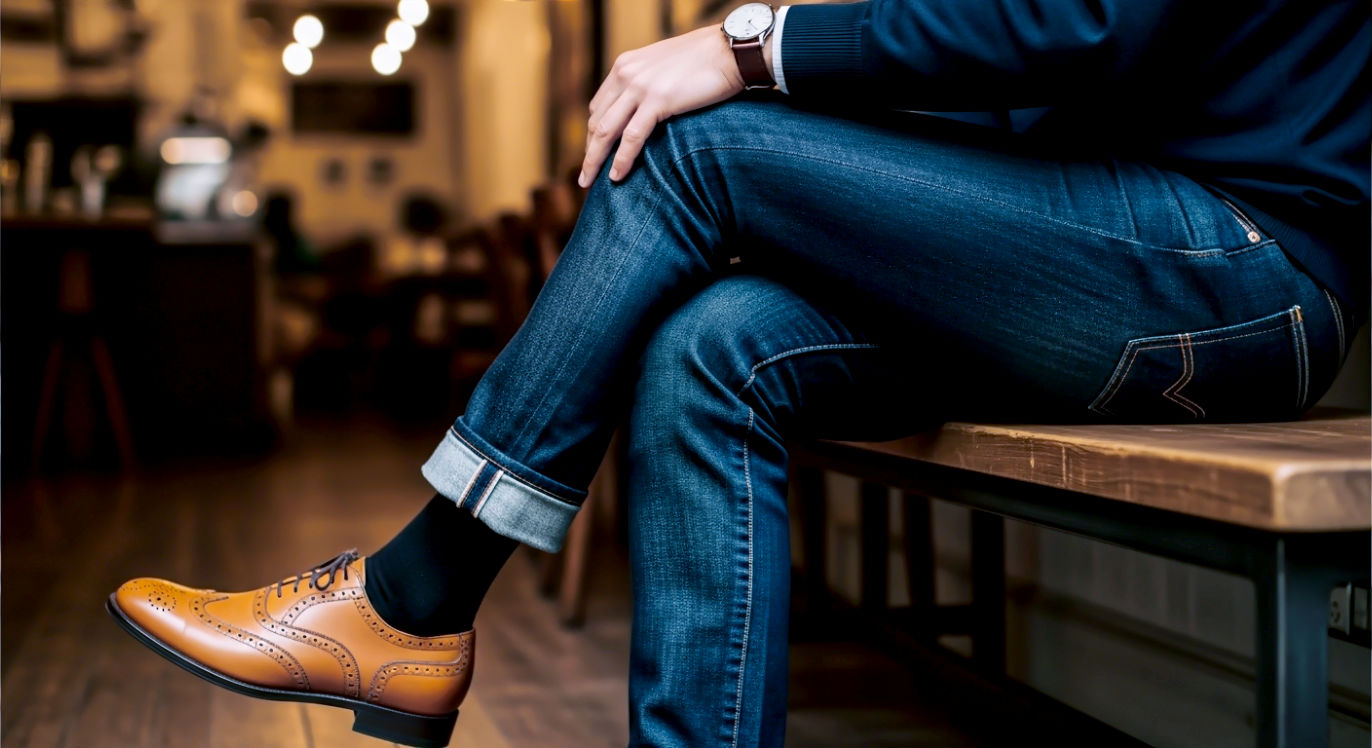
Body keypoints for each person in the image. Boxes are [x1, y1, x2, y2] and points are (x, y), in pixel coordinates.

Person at [106, 2, 1368, 746]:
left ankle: (414, 598)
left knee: (701, 140)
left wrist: (751, 43)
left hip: (1245, 270)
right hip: (1118, 243)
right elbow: (1025, 82)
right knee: (708, 347)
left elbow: (1078, 20)